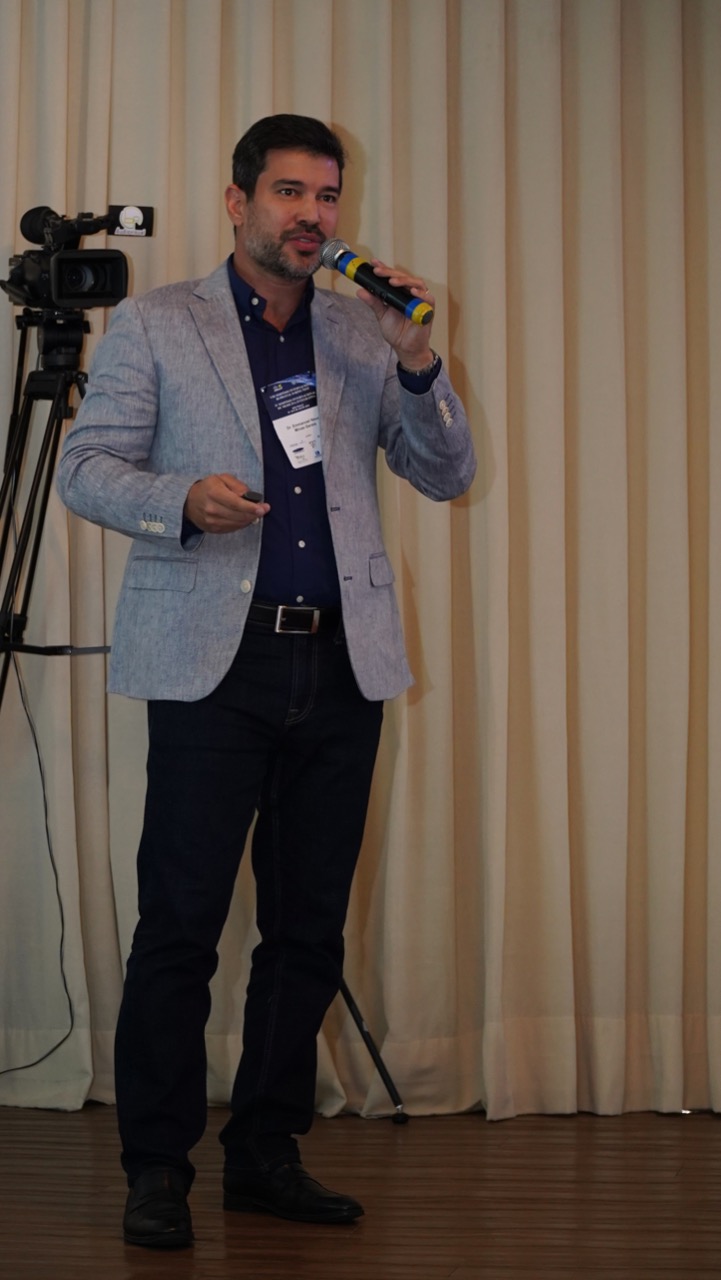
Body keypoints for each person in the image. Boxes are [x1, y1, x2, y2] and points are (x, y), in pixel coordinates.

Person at [56, 113, 476, 1250]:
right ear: (238, 201)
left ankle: (266, 1154)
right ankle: (156, 1166)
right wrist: (182, 499)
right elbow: (87, 468)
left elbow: (447, 473)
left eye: (326, 196)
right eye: (289, 192)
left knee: (305, 930)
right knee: (180, 925)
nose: (311, 215)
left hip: (339, 662)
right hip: (216, 663)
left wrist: (416, 358)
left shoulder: (357, 330)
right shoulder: (158, 322)